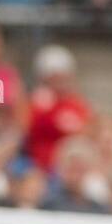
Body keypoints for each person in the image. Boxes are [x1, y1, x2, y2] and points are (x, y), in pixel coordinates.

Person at [24, 44, 91, 172]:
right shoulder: (38, 101)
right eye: (56, 77)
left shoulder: (75, 102)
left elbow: (86, 128)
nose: (61, 82)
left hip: (73, 166)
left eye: (64, 77)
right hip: (44, 166)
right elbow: (32, 128)